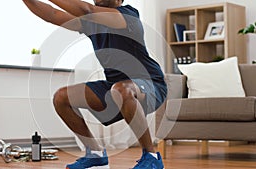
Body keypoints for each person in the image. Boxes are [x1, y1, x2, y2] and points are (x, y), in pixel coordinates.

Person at [22, 0, 167, 168]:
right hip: (115, 87)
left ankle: (151, 157)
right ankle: (95, 154)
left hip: (151, 85)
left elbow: (87, 9)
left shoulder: (128, 15)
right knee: (62, 97)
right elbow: (52, 15)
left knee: (121, 89)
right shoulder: (91, 23)